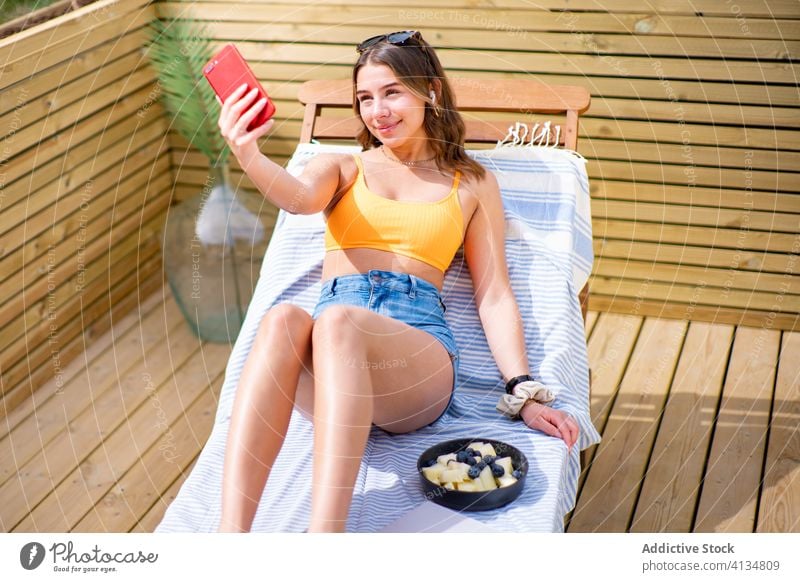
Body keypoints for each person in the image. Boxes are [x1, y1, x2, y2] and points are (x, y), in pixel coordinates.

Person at [214, 30, 579, 533]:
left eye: (392, 92)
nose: (377, 111)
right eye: (365, 98)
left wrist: (523, 390)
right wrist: (248, 154)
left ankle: (326, 541)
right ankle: (228, 541)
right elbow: (297, 198)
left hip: (414, 368)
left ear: (429, 90)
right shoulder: (343, 168)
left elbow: (493, 293)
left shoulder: (471, 183)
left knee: (338, 321)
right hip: (332, 366)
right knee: (281, 320)